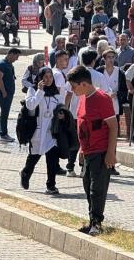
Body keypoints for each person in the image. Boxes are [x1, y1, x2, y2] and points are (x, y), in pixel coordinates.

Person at [67, 65, 118, 236]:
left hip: (101, 150)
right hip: (87, 151)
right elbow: (83, 125)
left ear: (84, 84)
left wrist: (111, 153)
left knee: (97, 188)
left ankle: (97, 223)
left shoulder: (102, 99)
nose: (72, 90)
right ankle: (92, 221)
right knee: (87, 185)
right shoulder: (82, 98)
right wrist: (81, 149)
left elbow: (113, 127)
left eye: (74, 86)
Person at [20, 67, 63, 195]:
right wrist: (40, 91)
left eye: (50, 77)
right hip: (37, 130)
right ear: (40, 78)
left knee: (52, 159)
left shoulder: (56, 92)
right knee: (34, 156)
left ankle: (51, 185)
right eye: (45, 77)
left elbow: (61, 107)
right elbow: (31, 105)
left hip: (51, 131)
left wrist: (62, 115)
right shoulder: (32, 90)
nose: (48, 79)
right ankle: (25, 173)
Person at [0, 48, 20, 142]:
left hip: (9, 93)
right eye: (16, 56)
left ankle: (0, 132)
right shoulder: (2, 64)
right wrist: (4, 92)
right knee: (5, 113)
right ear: (11, 54)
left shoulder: (9, 64)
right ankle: (3, 134)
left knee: (4, 112)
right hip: (4, 94)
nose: (17, 59)